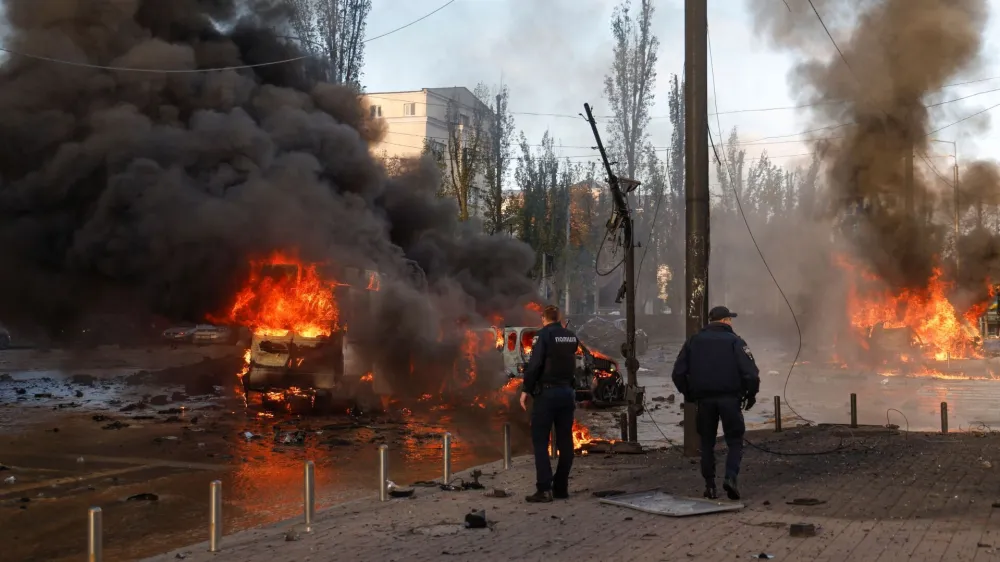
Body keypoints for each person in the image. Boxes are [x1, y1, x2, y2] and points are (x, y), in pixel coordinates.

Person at [671, 306, 760, 500]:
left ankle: (710, 486)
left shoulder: (693, 341)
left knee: (707, 443)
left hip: (704, 401)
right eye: (730, 319)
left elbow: (678, 373)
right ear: (726, 320)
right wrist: (751, 395)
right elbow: (751, 373)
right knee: (735, 441)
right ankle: (730, 477)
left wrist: (689, 394)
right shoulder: (736, 342)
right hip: (730, 399)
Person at [519, 304, 579, 503]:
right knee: (565, 442)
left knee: (540, 441)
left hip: (547, 394)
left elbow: (535, 365)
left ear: (544, 319)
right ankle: (561, 487)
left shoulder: (543, 335)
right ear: (559, 319)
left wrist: (526, 389)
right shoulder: (571, 336)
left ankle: (544, 489)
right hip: (567, 393)